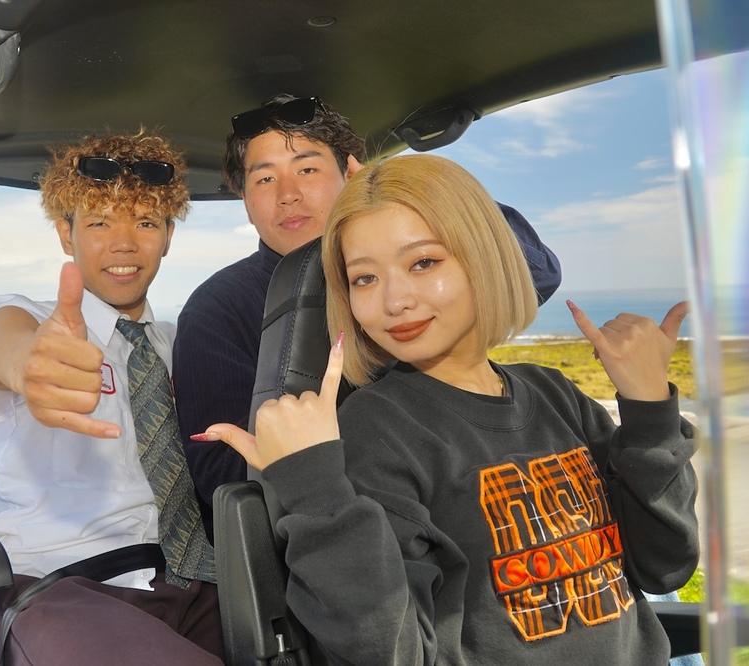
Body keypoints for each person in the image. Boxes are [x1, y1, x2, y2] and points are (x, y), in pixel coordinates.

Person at [196, 154, 699, 664]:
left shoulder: (555, 395)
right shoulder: (376, 430)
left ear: (486, 259)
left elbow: (663, 566)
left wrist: (648, 409)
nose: (394, 301)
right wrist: (315, 489)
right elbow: (390, 651)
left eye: (423, 263)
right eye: (364, 278)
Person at [173, 94, 563, 540]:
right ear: (245, 200)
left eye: (307, 169)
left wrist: (403, 193)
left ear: (349, 174)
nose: (288, 195)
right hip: (349, 531)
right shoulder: (218, 308)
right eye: (264, 179)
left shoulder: (410, 269)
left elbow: (536, 274)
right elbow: (225, 478)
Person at [0, 131, 223, 666]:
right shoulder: (23, 317)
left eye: (145, 223)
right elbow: (10, 349)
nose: (123, 244)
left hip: (195, 578)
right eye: (100, 222)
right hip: (59, 586)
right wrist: (30, 365)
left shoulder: (183, 344)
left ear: (168, 236)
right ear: (66, 233)